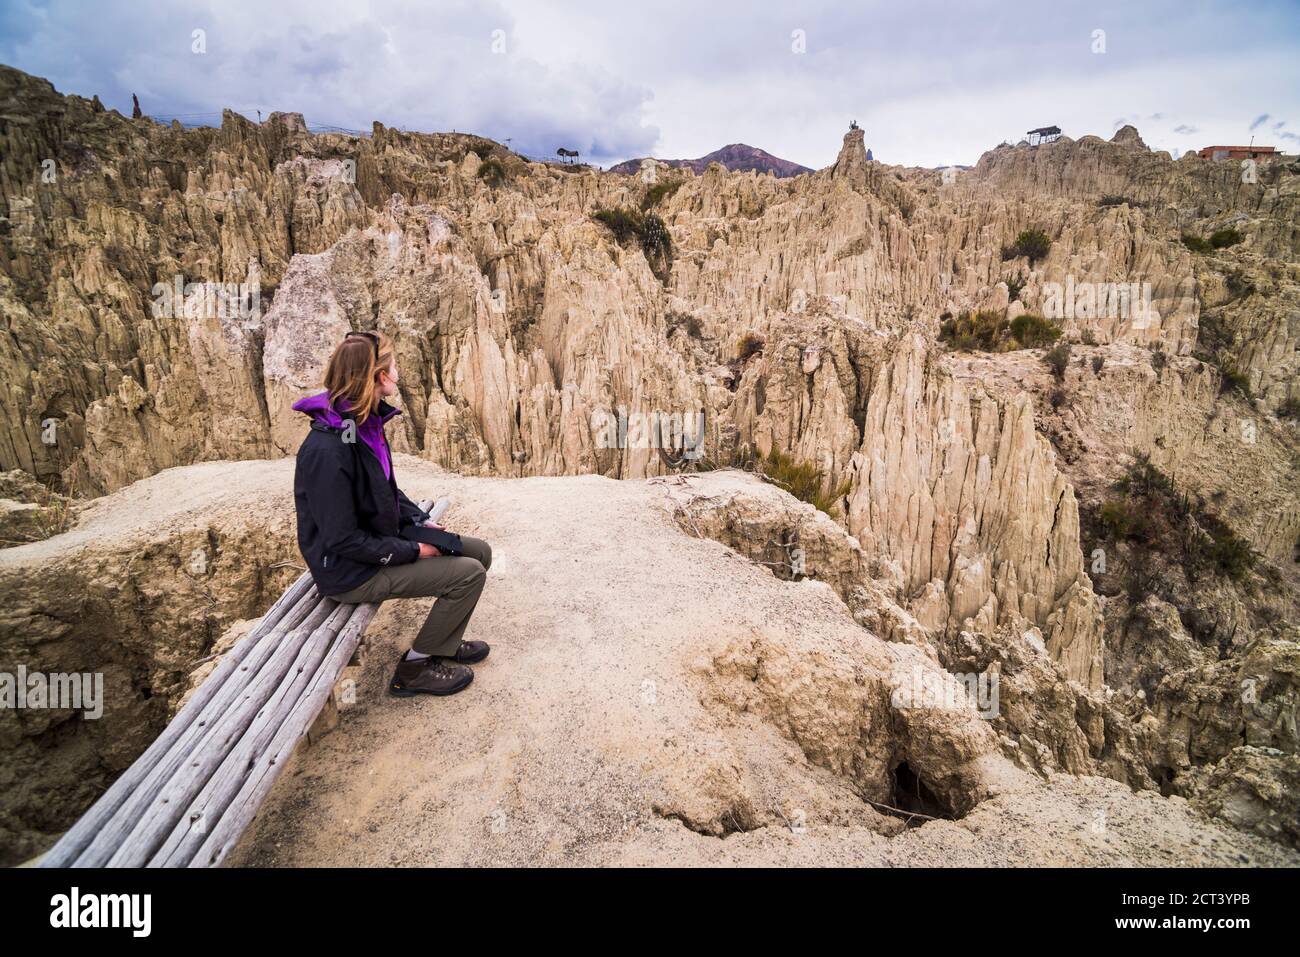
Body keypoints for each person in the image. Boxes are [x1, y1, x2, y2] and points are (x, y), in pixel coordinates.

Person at [292, 330, 492, 697]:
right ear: (380, 377)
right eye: (392, 364)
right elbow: (342, 539)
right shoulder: (327, 450)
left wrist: (420, 522)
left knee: (480, 552)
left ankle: (443, 642)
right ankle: (416, 668)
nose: (398, 370)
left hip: (378, 538)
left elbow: (384, 489)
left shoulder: (358, 426)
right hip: (350, 571)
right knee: (468, 575)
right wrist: (415, 551)